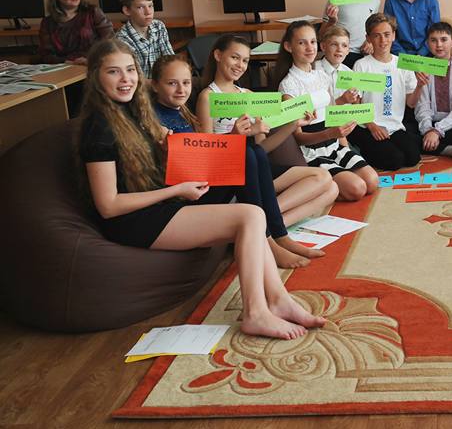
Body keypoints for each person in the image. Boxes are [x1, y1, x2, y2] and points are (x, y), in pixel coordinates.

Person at [78, 39, 325, 339]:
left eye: (130, 70)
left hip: (161, 203)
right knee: (249, 216)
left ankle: (278, 299)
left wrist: (168, 151)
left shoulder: (134, 111)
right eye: (113, 72)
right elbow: (109, 206)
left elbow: (150, 163)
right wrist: (175, 190)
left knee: (250, 198)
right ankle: (255, 313)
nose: (125, 79)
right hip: (133, 221)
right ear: (96, 77)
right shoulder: (99, 127)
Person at [150, 55, 329, 268]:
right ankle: (266, 241)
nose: (181, 89)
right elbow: (192, 160)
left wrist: (285, 125)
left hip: (203, 180)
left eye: (186, 83)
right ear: (155, 85)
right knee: (244, 154)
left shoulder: (182, 112)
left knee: (255, 151)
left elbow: (204, 152)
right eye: (172, 83)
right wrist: (234, 137)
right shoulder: (157, 120)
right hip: (189, 193)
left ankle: (280, 234)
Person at [194, 35, 340, 263]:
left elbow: (263, 147)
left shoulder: (248, 96)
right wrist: (234, 136)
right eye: (235, 58)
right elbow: (206, 154)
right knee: (250, 153)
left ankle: (277, 232)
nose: (240, 65)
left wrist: (292, 124)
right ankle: (270, 238)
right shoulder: (208, 97)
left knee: (325, 180)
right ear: (218, 55)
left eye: (245, 60)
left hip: (255, 164)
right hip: (228, 171)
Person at [275, 22, 378, 200]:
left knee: (372, 181)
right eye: (302, 43)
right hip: (312, 151)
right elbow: (298, 138)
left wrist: (345, 148)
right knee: (357, 189)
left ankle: (331, 182)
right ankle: (318, 188)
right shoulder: (288, 86)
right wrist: (329, 134)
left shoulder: (322, 76)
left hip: (334, 144)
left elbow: (332, 116)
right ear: (288, 46)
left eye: (312, 42)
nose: (310, 48)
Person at [347, 13, 426, 170]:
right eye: (376, 36)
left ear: (394, 36)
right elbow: (356, 104)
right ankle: (357, 147)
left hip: (394, 126)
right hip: (368, 126)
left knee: (412, 157)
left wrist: (420, 86)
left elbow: (411, 103)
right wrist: (373, 126)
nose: (383, 40)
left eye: (387, 35)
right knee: (394, 160)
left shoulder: (402, 64)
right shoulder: (361, 65)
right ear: (368, 38)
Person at [415, 21, 452, 159]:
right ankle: (443, 148)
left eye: (443, 40)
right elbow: (422, 106)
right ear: (427, 43)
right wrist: (428, 129)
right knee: (407, 130)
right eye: (433, 40)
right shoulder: (425, 68)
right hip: (432, 122)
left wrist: (437, 131)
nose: (439, 45)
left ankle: (430, 145)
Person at [38, 0, 114, 64]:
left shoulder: (93, 12)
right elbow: (45, 55)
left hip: (93, 64)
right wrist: (67, 62)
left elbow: (110, 42)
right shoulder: (47, 23)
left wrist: (91, 60)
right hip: (65, 67)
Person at [318, 0, 380, 67]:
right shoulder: (335, 1)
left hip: (366, 53)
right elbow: (321, 36)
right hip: (343, 53)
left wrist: (370, 42)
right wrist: (331, 21)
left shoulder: (375, 1)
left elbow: (375, 29)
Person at [115, 0, 173, 78]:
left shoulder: (159, 26)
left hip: (163, 81)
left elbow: (170, 60)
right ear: (127, 10)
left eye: (150, 6)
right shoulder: (122, 40)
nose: (148, 12)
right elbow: (136, 79)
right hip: (142, 85)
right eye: (140, 7)